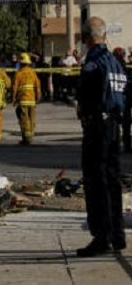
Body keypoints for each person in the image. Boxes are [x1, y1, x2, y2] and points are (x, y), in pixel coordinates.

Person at [75, 16, 127, 257]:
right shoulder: (117, 63)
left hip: (96, 128)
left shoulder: (92, 64)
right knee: (113, 181)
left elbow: (84, 100)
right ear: (104, 36)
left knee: (97, 182)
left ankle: (101, 237)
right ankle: (117, 235)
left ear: (87, 38)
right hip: (114, 126)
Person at [12, 52, 41, 145]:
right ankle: (30, 136)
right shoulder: (33, 73)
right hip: (32, 100)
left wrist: (14, 99)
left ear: (21, 63)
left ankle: (27, 138)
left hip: (23, 100)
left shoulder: (18, 73)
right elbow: (38, 86)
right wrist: (38, 97)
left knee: (24, 119)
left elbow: (14, 87)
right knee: (32, 118)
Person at [112, 47, 132, 153]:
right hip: (125, 97)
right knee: (125, 122)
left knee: (117, 122)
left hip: (119, 97)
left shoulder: (113, 66)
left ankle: (118, 144)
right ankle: (126, 145)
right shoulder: (124, 66)